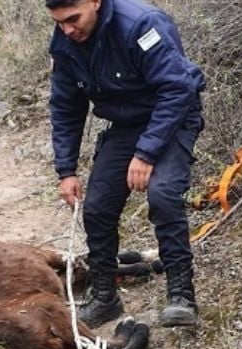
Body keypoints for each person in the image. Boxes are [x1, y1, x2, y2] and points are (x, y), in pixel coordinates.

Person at [46, 0, 205, 328]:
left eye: (73, 19)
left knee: (163, 194)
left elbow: (177, 89)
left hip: (172, 117)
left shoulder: (142, 24)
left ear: (95, 2)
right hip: (126, 124)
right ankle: (105, 297)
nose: (67, 29)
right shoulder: (65, 40)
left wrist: (145, 154)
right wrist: (66, 170)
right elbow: (65, 106)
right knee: (97, 206)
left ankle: (181, 295)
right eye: (60, 22)